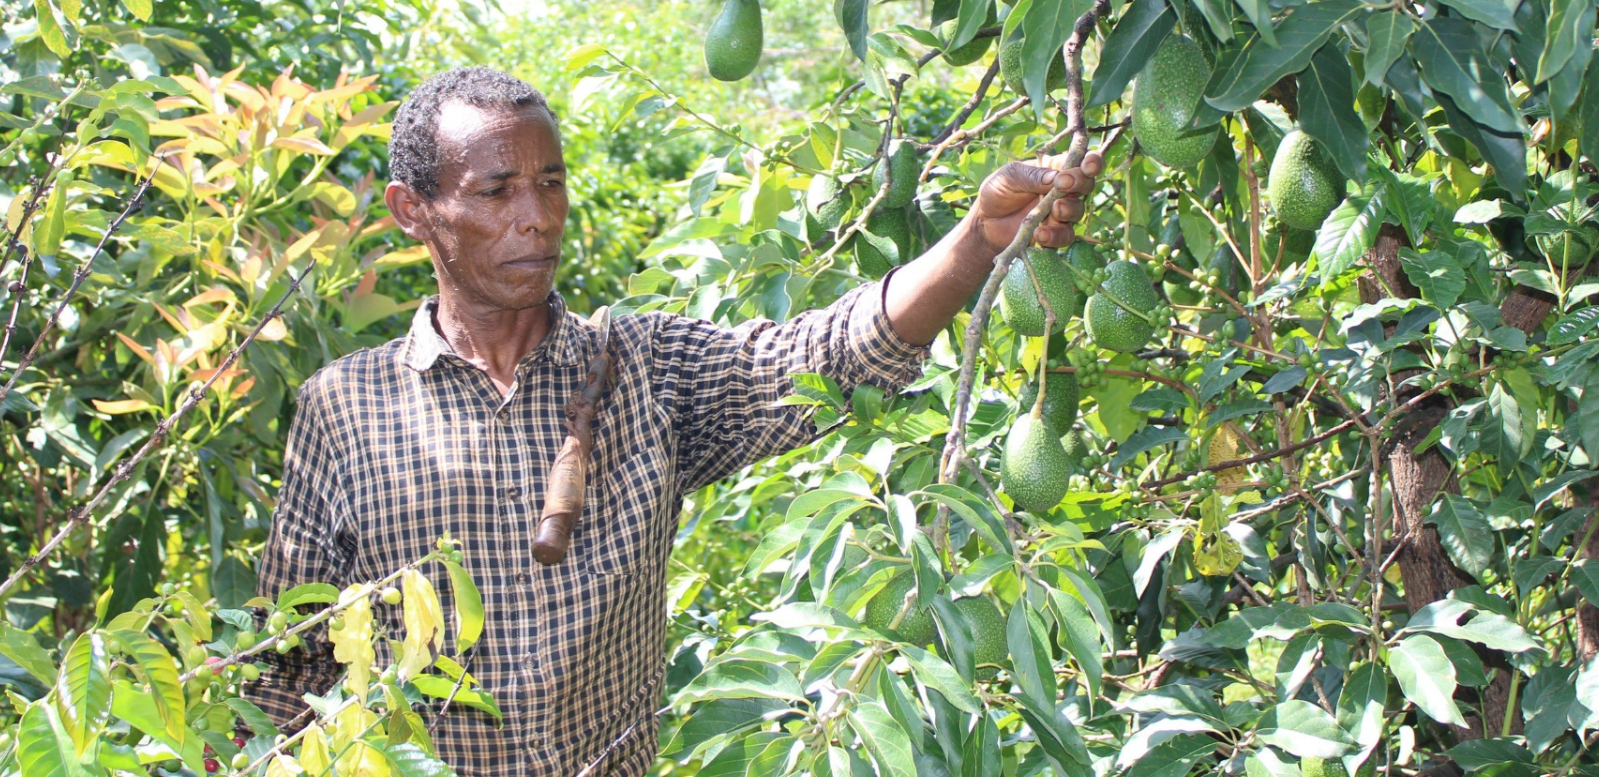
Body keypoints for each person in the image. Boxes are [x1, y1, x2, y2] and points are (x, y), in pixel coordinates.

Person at [241, 66, 1103, 776]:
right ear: (412, 210)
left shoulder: (640, 370)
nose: (536, 216)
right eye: (498, 190)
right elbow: (289, 662)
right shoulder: (346, 408)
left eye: (550, 183)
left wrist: (976, 243)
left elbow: (824, 356)